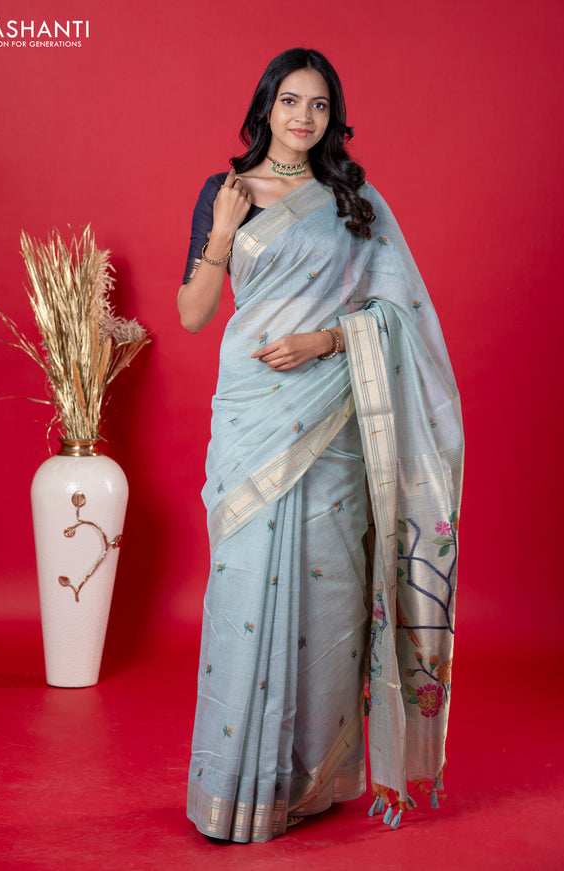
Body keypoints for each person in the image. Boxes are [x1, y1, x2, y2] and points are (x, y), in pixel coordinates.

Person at [178, 47, 464, 843]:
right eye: (289, 101)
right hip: (251, 419)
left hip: (331, 416)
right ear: (264, 106)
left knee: (329, 590)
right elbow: (193, 315)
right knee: (242, 590)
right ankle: (236, 784)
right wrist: (221, 234)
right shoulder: (224, 193)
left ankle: (308, 780)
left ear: (332, 117)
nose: (302, 117)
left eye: (318, 105)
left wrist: (327, 341)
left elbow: (397, 312)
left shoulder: (352, 199)